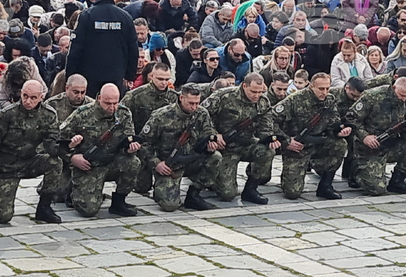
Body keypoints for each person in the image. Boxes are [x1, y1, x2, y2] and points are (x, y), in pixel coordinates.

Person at [0, 80, 62, 224]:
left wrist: (68, 146)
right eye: (25, 96)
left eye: (33, 98)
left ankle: (44, 207)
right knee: (3, 216)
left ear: (41, 97)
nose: (28, 101)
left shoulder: (48, 114)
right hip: (6, 167)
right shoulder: (6, 115)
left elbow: (51, 146)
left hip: (29, 162)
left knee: (55, 163)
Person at [61, 84, 142, 217]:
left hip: (112, 161)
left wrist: (130, 148)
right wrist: (72, 157)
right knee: (88, 211)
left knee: (133, 162)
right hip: (89, 166)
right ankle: (73, 189)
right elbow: (58, 140)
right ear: (99, 98)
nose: (112, 107)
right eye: (107, 103)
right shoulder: (82, 114)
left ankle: (119, 201)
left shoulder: (124, 113)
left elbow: (129, 138)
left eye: (115, 103)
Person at [139, 85, 222, 211]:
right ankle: (161, 187)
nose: (194, 107)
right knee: (169, 205)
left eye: (197, 103)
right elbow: (144, 143)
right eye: (191, 103)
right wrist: (156, 163)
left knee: (216, 157)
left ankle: (194, 193)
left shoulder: (202, 113)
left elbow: (208, 132)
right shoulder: (161, 116)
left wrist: (210, 144)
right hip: (168, 165)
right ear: (181, 98)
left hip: (192, 159)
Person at [201, 73, 278, 204]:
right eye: (253, 91)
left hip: (246, 143)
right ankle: (211, 178)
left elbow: (265, 128)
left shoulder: (263, 102)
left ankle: (250, 189)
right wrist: (213, 134)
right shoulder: (224, 96)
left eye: (260, 92)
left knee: (268, 151)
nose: (256, 95)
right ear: (244, 86)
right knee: (227, 195)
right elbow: (201, 115)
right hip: (225, 148)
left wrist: (270, 139)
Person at [271, 72, 350, 199]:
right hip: (297, 147)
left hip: (319, 143)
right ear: (311, 86)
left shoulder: (330, 100)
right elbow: (270, 120)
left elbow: (334, 122)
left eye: (327, 88)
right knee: (292, 193)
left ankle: (325, 185)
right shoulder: (294, 100)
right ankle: (295, 172)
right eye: (321, 89)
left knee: (340, 144)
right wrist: (286, 140)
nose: (325, 92)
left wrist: (339, 131)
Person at [345, 77, 406, 195]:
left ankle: (397, 181)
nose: (404, 99)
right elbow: (351, 118)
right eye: (401, 95)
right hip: (370, 148)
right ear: (394, 88)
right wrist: (364, 136)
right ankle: (357, 171)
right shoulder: (373, 97)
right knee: (377, 189)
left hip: (392, 145)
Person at [66, 0, 138, 97]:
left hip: (90, 76)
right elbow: (133, 49)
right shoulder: (125, 17)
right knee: (112, 105)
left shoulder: (86, 16)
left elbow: (76, 48)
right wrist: (130, 76)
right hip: (116, 75)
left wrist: (70, 75)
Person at [120, 62, 178, 193]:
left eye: (167, 79)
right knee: (142, 187)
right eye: (160, 79)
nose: (164, 83)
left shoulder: (174, 97)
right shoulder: (135, 96)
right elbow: (121, 118)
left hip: (165, 146)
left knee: (167, 194)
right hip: (142, 146)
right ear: (152, 77)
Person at [43, 74, 93, 206]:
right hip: (60, 155)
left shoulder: (92, 106)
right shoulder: (52, 105)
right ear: (66, 88)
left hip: (85, 156)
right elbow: (46, 139)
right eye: (76, 92)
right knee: (59, 194)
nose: (80, 96)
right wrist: (70, 156)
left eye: (83, 92)